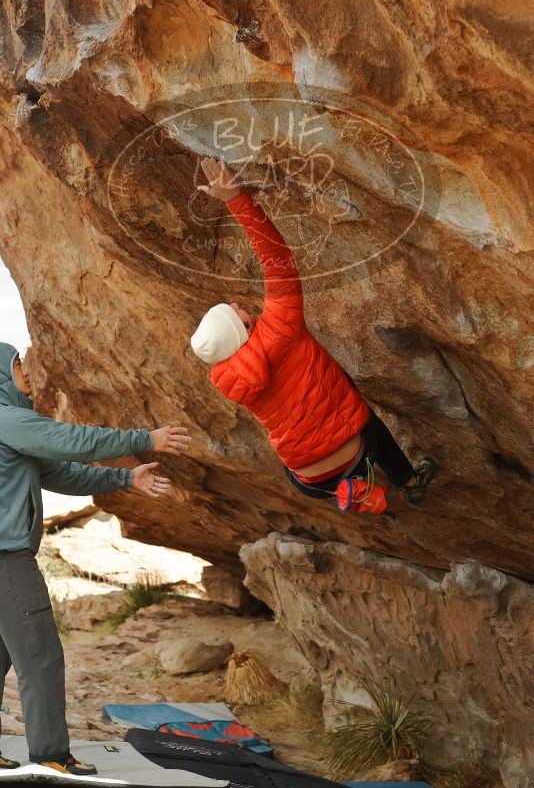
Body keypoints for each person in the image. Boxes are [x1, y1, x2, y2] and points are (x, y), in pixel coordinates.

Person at [191, 158, 437, 511]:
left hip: (309, 480)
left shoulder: (229, 380)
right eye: (235, 311)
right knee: (368, 421)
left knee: (303, 439)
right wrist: (236, 199)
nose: (237, 304)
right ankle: (409, 481)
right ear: (241, 329)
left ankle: (349, 488)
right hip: (352, 451)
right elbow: (276, 258)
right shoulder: (281, 326)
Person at [0, 342, 190, 775]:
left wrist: (126, 477)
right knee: (41, 656)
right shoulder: (6, 418)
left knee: (4, 655)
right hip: (6, 558)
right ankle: (50, 753)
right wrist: (146, 439)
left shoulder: (10, 428)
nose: (26, 370)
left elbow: (60, 471)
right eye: (16, 363)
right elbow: (67, 440)